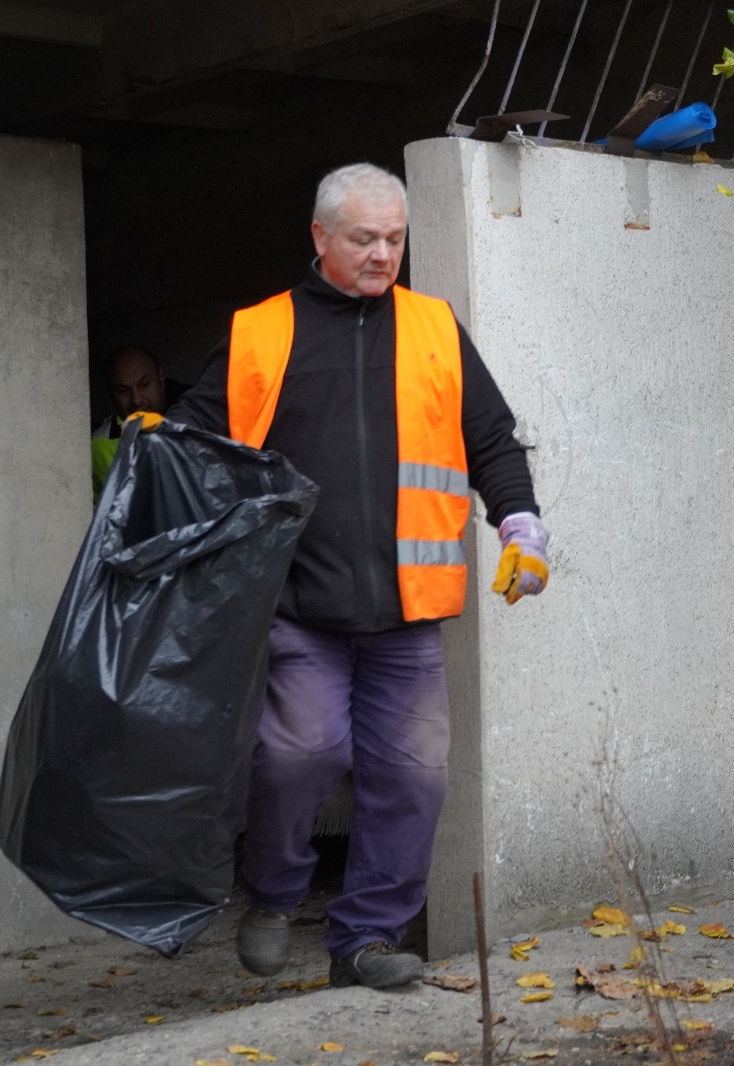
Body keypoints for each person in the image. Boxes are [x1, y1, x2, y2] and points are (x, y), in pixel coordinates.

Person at [163, 162, 550, 990]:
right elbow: (192, 443)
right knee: (299, 753)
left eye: (396, 239)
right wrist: (148, 447)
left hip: (407, 612)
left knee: (411, 777)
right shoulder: (262, 333)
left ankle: (366, 941)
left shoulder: (435, 328)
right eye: (364, 238)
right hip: (298, 605)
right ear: (320, 238)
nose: (383, 255)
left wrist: (521, 523)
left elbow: (490, 440)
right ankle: (272, 894)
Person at [91, 345, 183, 500]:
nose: (137, 399)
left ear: (161, 378)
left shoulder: (198, 421)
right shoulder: (100, 442)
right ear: (110, 394)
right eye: (123, 391)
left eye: (144, 385)